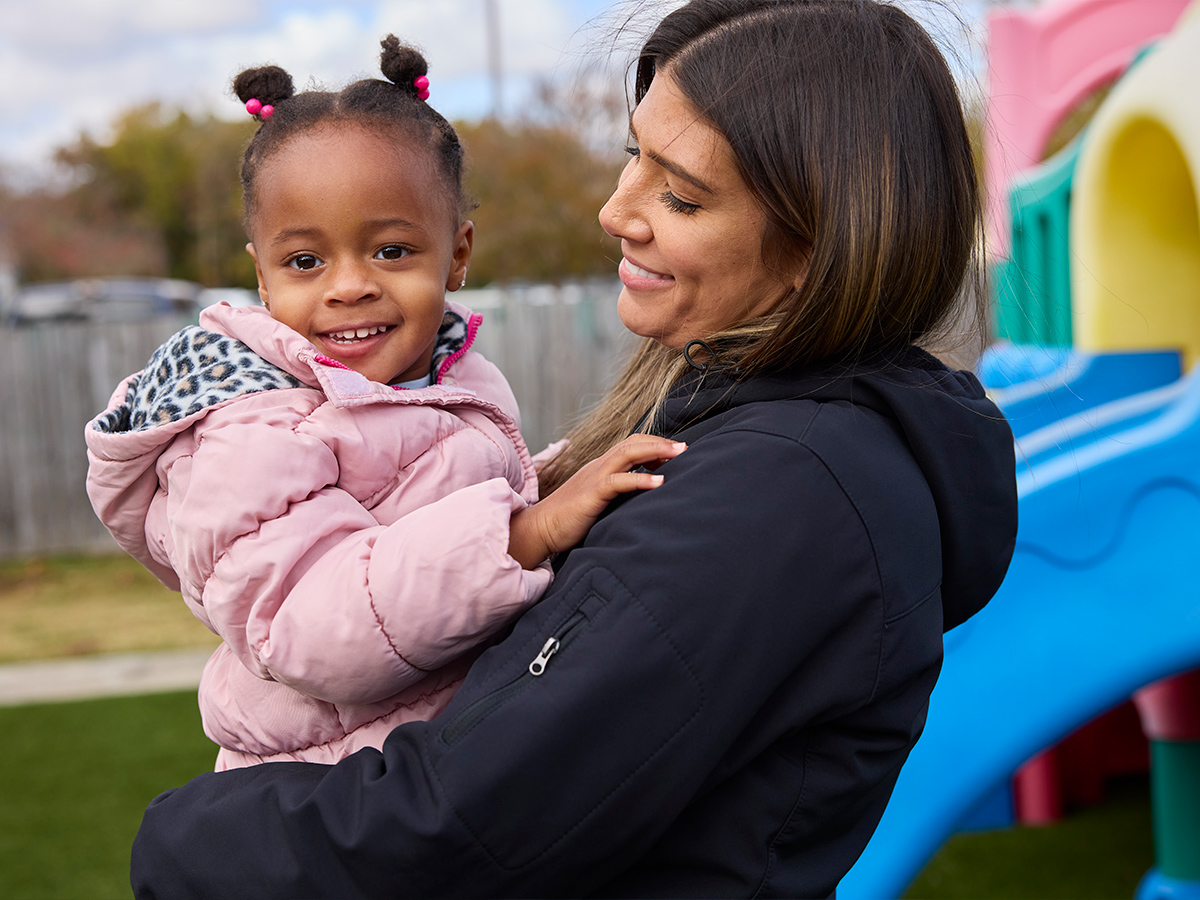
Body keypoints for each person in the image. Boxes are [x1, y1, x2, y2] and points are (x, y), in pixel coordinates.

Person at [129, 1, 1018, 897]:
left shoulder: (778, 495)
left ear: (818, 244)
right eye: (635, 156)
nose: (614, 210)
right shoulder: (748, 432)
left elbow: (454, 828)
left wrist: (180, 840)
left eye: (681, 195)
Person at [85, 38, 682, 770]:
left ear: (457, 254)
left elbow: (436, 503)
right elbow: (309, 630)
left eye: (391, 251)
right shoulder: (251, 430)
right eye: (305, 261)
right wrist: (526, 534)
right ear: (263, 277)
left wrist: (560, 482)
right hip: (335, 787)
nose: (348, 287)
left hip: (437, 754)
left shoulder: (450, 379)